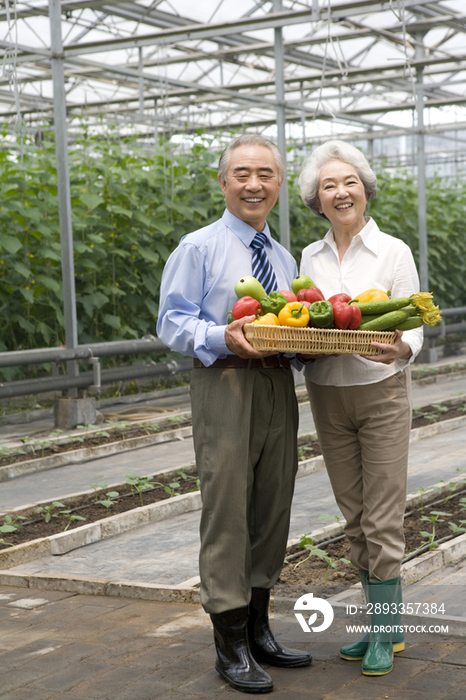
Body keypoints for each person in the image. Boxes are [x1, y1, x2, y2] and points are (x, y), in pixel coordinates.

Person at [157, 134, 311, 694]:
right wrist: (222, 334)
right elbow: (172, 322)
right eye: (242, 173)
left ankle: (259, 630)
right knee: (227, 508)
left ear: (278, 185)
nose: (254, 183)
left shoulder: (282, 256)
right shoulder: (198, 247)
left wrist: (310, 341)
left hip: (275, 385)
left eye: (265, 174)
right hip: (224, 381)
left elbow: (291, 326)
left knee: (273, 502)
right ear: (224, 183)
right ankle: (229, 644)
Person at [298, 140, 423, 677]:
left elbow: (413, 320)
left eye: (349, 182)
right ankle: (384, 628)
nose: (340, 191)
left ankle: (385, 631)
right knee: (353, 516)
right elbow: (304, 318)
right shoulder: (310, 257)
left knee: (383, 516)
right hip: (327, 391)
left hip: (381, 390)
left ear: (364, 191)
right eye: (329, 185)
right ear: (317, 200)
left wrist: (402, 347)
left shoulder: (392, 251)